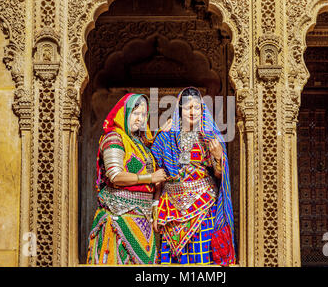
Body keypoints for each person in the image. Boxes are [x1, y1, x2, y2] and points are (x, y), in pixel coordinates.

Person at [151, 87, 236, 266]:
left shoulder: (210, 136)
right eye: (188, 107)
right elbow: (158, 175)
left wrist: (219, 157)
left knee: (202, 261)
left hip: (203, 208)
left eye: (197, 107)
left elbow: (220, 175)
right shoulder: (165, 137)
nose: (193, 111)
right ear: (180, 109)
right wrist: (155, 208)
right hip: (170, 210)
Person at [86, 93, 167, 265]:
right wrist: (151, 177)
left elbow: (153, 148)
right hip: (119, 220)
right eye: (135, 113)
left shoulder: (141, 143)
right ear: (125, 112)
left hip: (143, 221)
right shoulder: (114, 138)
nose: (140, 119)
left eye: (144, 115)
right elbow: (115, 176)